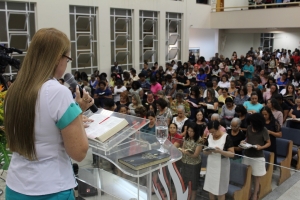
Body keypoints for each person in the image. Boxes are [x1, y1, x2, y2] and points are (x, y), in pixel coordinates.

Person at [4, 28, 94, 199]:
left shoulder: (13, 91)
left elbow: (40, 125)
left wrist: (76, 113)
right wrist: (77, 114)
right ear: (56, 58)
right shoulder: (57, 92)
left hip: (16, 186)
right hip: (51, 189)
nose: (67, 64)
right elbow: (79, 153)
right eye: (67, 59)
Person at [241, 113, 271, 200]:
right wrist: (244, 141)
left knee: (257, 177)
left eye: (252, 122)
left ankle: (255, 194)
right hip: (247, 154)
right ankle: (248, 191)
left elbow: (269, 143)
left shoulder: (263, 130)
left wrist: (261, 147)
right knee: (247, 175)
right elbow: (247, 138)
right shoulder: (249, 128)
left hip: (258, 156)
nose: (251, 123)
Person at [203, 120, 234, 200]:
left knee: (220, 190)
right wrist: (208, 151)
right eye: (211, 132)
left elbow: (232, 154)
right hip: (211, 165)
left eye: (214, 132)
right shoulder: (209, 135)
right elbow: (204, 151)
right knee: (211, 188)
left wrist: (220, 151)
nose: (213, 134)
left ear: (219, 128)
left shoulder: (226, 137)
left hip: (222, 166)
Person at [179, 123, 203, 200]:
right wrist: (182, 150)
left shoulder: (199, 140)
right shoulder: (186, 137)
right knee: (184, 181)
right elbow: (183, 147)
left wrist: (187, 153)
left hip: (194, 164)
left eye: (191, 131)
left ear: (195, 131)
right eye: (188, 131)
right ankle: (185, 197)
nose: (189, 132)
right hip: (185, 161)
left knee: (193, 184)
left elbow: (196, 154)